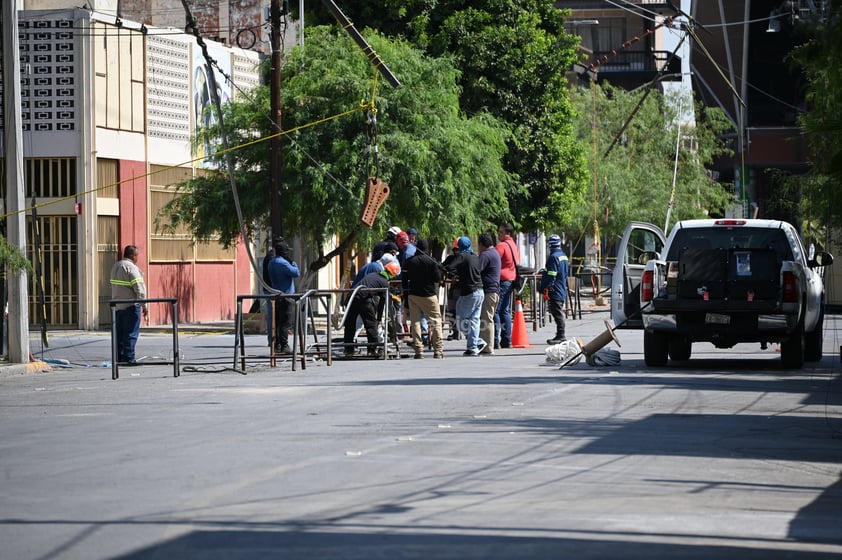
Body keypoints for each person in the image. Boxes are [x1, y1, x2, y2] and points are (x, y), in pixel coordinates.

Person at [344, 260, 401, 358]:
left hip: (352, 297)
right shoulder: (384, 283)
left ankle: (349, 350)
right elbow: (382, 303)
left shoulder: (373, 275)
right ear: (392, 275)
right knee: (371, 325)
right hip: (364, 299)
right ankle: (372, 350)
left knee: (350, 324)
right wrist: (378, 319)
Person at [402, 238, 444, 359]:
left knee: (415, 322)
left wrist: (406, 296)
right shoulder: (431, 262)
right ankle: (438, 350)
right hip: (429, 295)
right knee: (436, 321)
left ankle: (419, 350)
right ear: (427, 249)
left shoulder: (410, 261)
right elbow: (437, 279)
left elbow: (404, 280)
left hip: (413, 295)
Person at [444, 236, 486, 356]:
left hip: (470, 293)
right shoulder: (475, 257)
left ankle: (477, 342)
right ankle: (472, 347)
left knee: (461, 320)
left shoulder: (462, 256)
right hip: (479, 291)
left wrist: (447, 271)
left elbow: (450, 267)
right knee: (474, 320)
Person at [110, 245, 148, 365]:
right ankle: (129, 358)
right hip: (131, 306)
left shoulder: (116, 266)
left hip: (117, 306)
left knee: (119, 334)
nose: (137, 258)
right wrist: (144, 306)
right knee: (130, 333)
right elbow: (139, 289)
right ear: (132, 256)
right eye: (137, 255)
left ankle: (119, 358)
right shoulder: (131, 268)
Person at [268, 239, 300, 354]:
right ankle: (284, 345)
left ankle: (276, 345)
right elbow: (296, 273)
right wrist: (294, 264)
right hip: (286, 296)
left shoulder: (271, 262)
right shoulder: (283, 263)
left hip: (276, 296)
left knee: (276, 322)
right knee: (285, 322)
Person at [541, 233, 569, 344]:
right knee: (557, 311)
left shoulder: (553, 257)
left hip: (555, 289)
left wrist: (548, 288)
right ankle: (560, 334)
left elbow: (552, 274)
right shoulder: (563, 256)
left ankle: (561, 335)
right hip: (561, 287)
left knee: (557, 312)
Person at [495, 223, 520, 349]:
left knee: (495, 310)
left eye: (501, 232)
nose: (499, 234)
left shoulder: (502, 246)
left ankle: (494, 340)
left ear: (507, 234)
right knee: (504, 311)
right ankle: (506, 340)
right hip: (511, 280)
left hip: (502, 280)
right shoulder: (514, 245)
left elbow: (493, 261)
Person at [477, 233, 501, 355]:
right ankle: (484, 344)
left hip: (489, 292)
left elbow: (477, 270)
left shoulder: (485, 255)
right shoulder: (495, 252)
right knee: (487, 318)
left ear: (481, 244)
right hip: (494, 291)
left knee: (486, 319)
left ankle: (487, 347)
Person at [441, 238, 461, 340]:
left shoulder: (465, 258)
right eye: (455, 249)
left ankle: (463, 332)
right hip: (454, 289)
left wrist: (457, 277)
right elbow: (443, 267)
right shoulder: (450, 259)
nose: (456, 251)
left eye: (458, 249)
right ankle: (455, 331)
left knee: (462, 311)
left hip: (464, 289)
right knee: (452, 310)